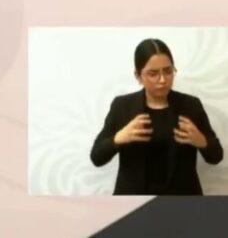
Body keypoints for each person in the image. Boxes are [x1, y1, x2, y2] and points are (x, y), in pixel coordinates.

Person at [90, 38, 223, 195]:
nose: (162, 80)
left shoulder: (190, 105)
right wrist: (119, 138)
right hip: (133, 202)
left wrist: (202, 141)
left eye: (168, 71)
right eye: (153, 74)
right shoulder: (122, 106)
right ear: (138, 76)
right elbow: (97, 157)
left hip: (182, 202)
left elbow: (216, 156)